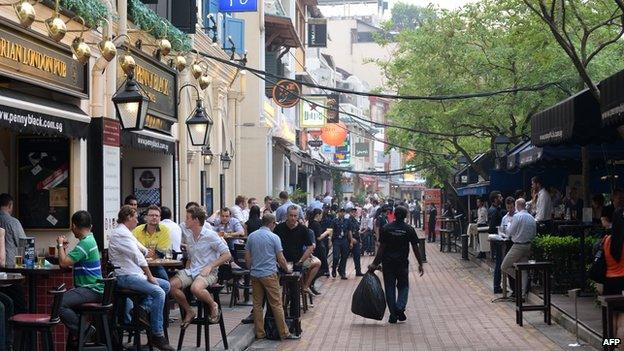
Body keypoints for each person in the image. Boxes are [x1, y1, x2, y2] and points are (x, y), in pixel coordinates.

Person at [108, 205, 173, 350]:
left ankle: (142, 309)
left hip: (134, 274)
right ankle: (157, 335)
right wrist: (150, 276)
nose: (138, 220)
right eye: (136, 217)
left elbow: (139, 247)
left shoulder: (126, 232)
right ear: (128, 218)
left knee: (166, 285)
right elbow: (137, 256)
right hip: (126, 276)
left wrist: (146, 251)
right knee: (159, 292)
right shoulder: (120, 234)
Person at [170, 205, 231, 329]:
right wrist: (186, 270)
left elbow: (227, 254)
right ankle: (189, 311)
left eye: (187, 218)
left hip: (209, 272)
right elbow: (192, 258)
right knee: (171, 285)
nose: (185, 221)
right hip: (193, 270)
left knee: (195, 289)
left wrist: (211, 266)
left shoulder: (211, 235)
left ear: (196, 220)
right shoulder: (189, 237)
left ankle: (213, 304)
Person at [245, 214, 300, 340]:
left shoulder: (252, 236)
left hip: (255, 274)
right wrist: (288, 269)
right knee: (276, 303)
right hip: (269, 274)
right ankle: (284, 332)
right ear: (272, 223)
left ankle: (260, 333)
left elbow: (247, 257)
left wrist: (250, 268)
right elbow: (280, 258)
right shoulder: (274, 237)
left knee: (257, 305)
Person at [368, 206, 424, 324]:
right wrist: (420, 263)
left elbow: (381, 249)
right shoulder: (409, 229)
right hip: (402, 263)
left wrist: (374, 264)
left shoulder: (386, 228)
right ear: (405, 216)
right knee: (403, 286)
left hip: (388, 264)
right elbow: (415, 248)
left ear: (394, 214)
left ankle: (393, 315)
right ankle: (400, 307)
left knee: (390, 288)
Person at [57, 211, 103, 344]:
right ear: (91, 226)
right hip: (92, 289)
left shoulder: (85, 243)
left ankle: (84, 330)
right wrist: (64, 249)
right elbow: (67, 263)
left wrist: (60, 245)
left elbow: (63, 263)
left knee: (59, 303)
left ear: (74, 226)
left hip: (92, 289)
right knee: (62, 302)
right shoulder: (89, 239)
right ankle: (81, 332)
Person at [501, 198, 536, 298]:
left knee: (504, 266)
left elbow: (509, 232)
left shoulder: (517, 216)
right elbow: (534, 233)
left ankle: (519, 279)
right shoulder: (531, 217)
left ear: (517, 206)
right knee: (524, 269)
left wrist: (508, 225)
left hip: (518, 246)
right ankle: (523, 294)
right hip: (528, 245)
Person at [273, 206, 314, 284]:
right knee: (277, 287)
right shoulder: (279, 228)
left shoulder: (303, 229)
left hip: (297, 263)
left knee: (294, 289)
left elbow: (310, 247)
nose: (293, 218)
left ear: (298, 216)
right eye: (291, 215)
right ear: (286, 215)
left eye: (295, 216)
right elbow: (272, 245)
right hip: (281, 262)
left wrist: (301, 260)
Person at [0, 193, 26, 313]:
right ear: (10, 205)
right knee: (19, 308)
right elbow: (24, 245)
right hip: (11, 274)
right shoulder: (13, 222)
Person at [132, 205, 171, 281]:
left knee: (165, 280)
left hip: (156, 265)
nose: (154, 217)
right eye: (151, 215)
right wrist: (148, 253)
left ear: (160, 218)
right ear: (146, 217)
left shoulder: (165, 230)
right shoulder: (137, 230)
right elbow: (133, 249)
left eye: (157, 215)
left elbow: (160, 253)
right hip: (138, 265)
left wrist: (145, 252)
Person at [307, 208, 331, 279]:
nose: (321, 217)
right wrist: (327, 232)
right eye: (321, 215)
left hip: (315, 246)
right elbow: (319, 237)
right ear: (317, 215)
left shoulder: (311, 223)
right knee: (322, 265)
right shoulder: (316, 224)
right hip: (318, 247)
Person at [330, 208, 353, 279]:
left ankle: (342, 272)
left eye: (343, 212)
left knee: (344, 257)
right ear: (338, 213)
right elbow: (331, 231)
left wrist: (351, 241)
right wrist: (330, 241)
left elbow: (349, 231)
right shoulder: (334, 221)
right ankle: (334, 268)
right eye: (341, 212)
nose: (342, 213)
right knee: (336, 256)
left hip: (344, 240)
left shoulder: (347, 221)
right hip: (336, 240)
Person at [487, 191, 504, 290]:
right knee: (499, 263)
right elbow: (491, 227)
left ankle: (497, 285)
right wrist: (500, 230)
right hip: (498, 240)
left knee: (499, 262)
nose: (501, 198)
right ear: (495, 199)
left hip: (497, 239)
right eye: (500, 197)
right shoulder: (494, 211)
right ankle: (497, 286)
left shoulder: (496, 209)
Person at [348, 207, 364, 276]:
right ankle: (341, 270)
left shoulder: (355, 220)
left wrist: (360, 241)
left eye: (355, 212)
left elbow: (357, 231)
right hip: (349, 240)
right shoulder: (348, 221)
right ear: (350, 213)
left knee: (357, 256)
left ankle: (358, 271)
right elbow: (348, 231)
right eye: (352, 212)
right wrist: (351, 240)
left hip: (356, 240)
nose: (354, 213)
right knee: (344, 256)